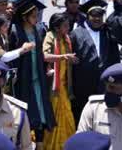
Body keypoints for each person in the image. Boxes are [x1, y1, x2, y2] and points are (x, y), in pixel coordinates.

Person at [69, 0, 122, 125]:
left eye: (100, 15)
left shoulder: (108, 32)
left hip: (104, 84)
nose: (97, 18)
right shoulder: (76, 33)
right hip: (82, 85)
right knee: (82, 116)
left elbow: (115, 56)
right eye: (93, 15)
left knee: (102, 116)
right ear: (87, 16)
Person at [8, 0, 55, 141]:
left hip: (38, 76)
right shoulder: (15, 31)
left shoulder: (39, 30)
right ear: (24, 17)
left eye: (37, 15)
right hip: (23, 77)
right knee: (26, 110)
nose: (36, 18)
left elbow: (42, 53)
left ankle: (40, 142)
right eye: (33, 16)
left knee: (41, 110)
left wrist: (47, 66)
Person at [42, 12, 77, 149]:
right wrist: (64, 56)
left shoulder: (65, 38)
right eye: (65, 26)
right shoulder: (50, 37)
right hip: (53, 88)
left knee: (67, 116)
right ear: (57, 28)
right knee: (54, 118)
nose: (68, 28)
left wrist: (70, 59)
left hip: (64, 87)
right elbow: (45, 56)